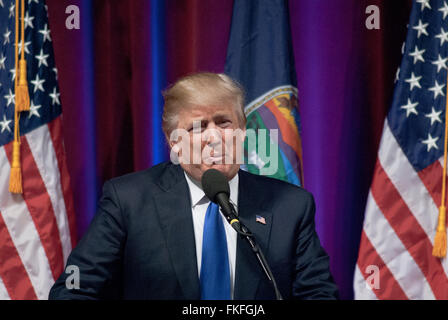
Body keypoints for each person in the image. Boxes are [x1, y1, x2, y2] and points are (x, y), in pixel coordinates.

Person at [49, 72, 338, 300]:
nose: (214, 138)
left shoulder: (290, 205)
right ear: (174, 141)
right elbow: (75, 289)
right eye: (198, 127)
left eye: (224, 123)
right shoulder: (128, 201)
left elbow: (319, 293)